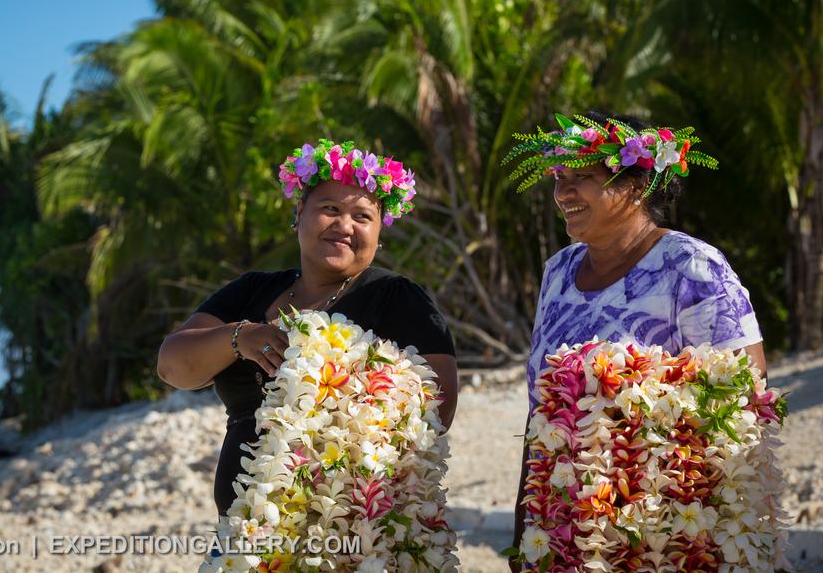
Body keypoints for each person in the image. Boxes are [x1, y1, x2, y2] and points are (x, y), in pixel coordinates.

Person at [503, 112, 768, 569]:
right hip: (567, 522)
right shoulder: (558, 273)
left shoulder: (691, 267)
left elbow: (745, 393)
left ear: (635, 186)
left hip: (663, 524)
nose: (562, 193)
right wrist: (528, 518)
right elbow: (541, 408)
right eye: (558, 178)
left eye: (582, 178)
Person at [157, 138, 459, 517]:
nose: (344, 225)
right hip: (243, 534)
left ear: (380, 234)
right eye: (329, 208)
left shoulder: (396, 297)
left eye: (363, 217)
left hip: (348, 533)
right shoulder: (254, 290)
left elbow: (437, 411)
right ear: (299, 213)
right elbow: (172, 366)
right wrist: (240, 337)